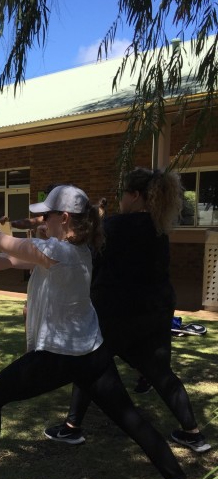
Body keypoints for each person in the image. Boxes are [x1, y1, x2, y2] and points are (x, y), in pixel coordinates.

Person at [0, 185, 198, 479]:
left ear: (63, 218)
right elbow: (11, 258)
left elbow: (3, 241)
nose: (41, 219)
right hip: (92, 353)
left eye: (47, 215)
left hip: (59, 356)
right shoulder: (77, 250)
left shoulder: (61, 253)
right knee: (132, 420)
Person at [45, 168, 210, 454]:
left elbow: (88, 259)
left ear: (134, 196)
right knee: (160, 373)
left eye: (124, 193)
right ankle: (193, 434)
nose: (121, 199)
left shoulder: (115, 227)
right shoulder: (159, 230)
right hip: (155, 312)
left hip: (116, 313)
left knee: (89, 362)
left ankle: (72, 428)